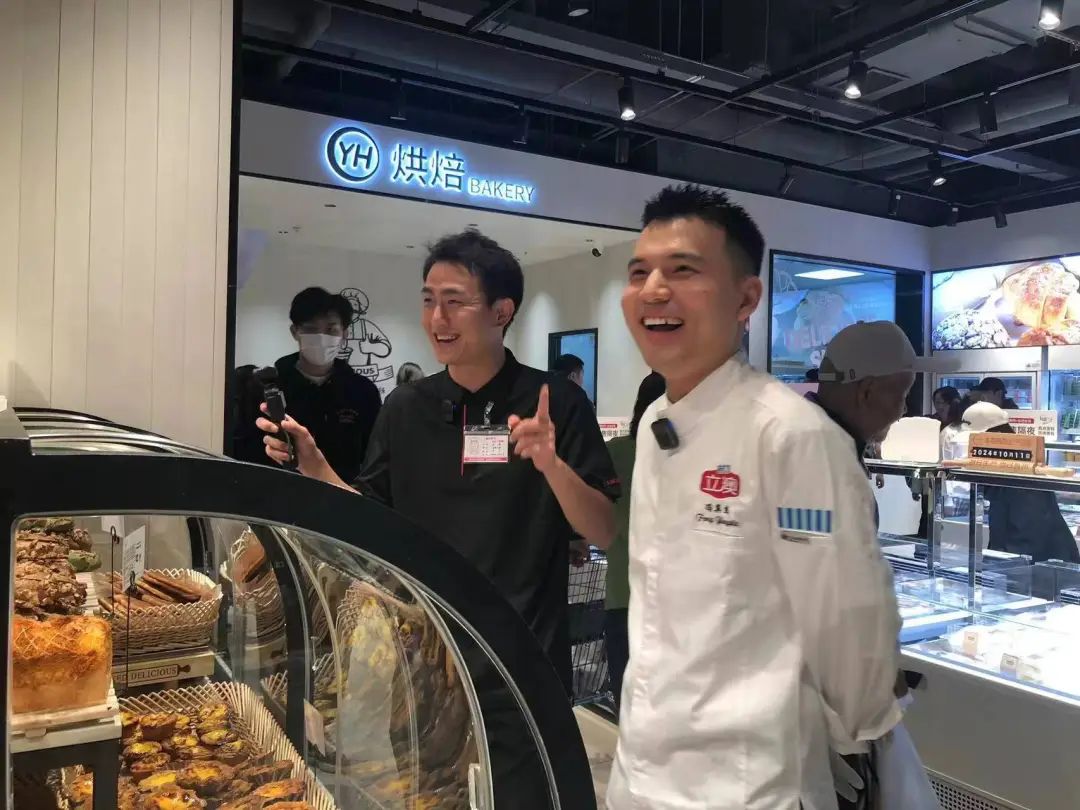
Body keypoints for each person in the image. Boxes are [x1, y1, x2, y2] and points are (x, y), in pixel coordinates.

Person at [258, 230, 618, 809]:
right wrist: (315, 464)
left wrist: (550, 463)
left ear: (502, 311)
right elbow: (369, 518)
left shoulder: (555, 403)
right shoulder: (406, 408)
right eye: (429, 300)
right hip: (420, 664)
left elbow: (603, 529)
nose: (437, 318)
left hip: (520, 665)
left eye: (456, 301)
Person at [608, 184, 900, 810]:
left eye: (683, 270)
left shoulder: (791, 435)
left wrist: (851, 734)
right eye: (639, 272)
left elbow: (848, 624)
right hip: (640, 769)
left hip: (749, 785)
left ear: (746, 299)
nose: (653, 290)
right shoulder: (656, 419)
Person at [232, 287, 382, 482]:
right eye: (311, 329)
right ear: (295, 332)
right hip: (277, 494)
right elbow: (246, 453)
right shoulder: (265, 388)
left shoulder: (363, 392)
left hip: (343, 495)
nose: (321, 337)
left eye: (331, 330)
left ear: (344, 333)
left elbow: (374, 461)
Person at [603, 371, 664, 717]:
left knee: (628, 707)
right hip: (672, 605)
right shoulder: (682, 456)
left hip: (621, 595)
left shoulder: (614, 453)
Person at [965, 402, 1080, 564]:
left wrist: (995, 569)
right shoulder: (1005, 473)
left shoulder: (1020, 478)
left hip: (1045, 569)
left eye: (974, 445)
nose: (970, 452)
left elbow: (1027, 543)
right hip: (1031, 566)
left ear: (994, 438)